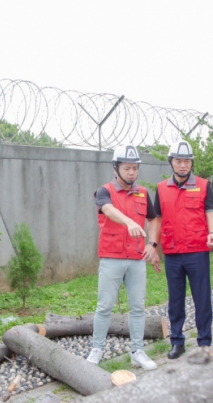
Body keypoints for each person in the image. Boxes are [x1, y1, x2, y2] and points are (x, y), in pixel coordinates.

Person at [85, 144, 160, 370]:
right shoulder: (104, 191)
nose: (131, 172)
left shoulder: (143, 193)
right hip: (112, 257)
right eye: (127, 168)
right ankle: (97, 349)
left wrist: (153, 244)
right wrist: (129, 222)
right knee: (104, 306)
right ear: (116, 168)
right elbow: (108, 210)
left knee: (138, 306)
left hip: (137, 258)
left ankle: (137, 352)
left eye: (135, 168)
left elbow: (153, 219)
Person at [154, 140, 213, 359]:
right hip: (172, 253)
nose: (182, 165)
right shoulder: (161, 188)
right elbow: (157, 220)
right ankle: (177, 341)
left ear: (191, 163)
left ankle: (204, 343)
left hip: (197, 251)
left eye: (187, 161)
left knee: (202, 299)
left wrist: (212, 232)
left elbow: (211, 212)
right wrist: (154, 247)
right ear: (171, 162)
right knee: (175, 300)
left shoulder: (203, 185)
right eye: (178, 161)